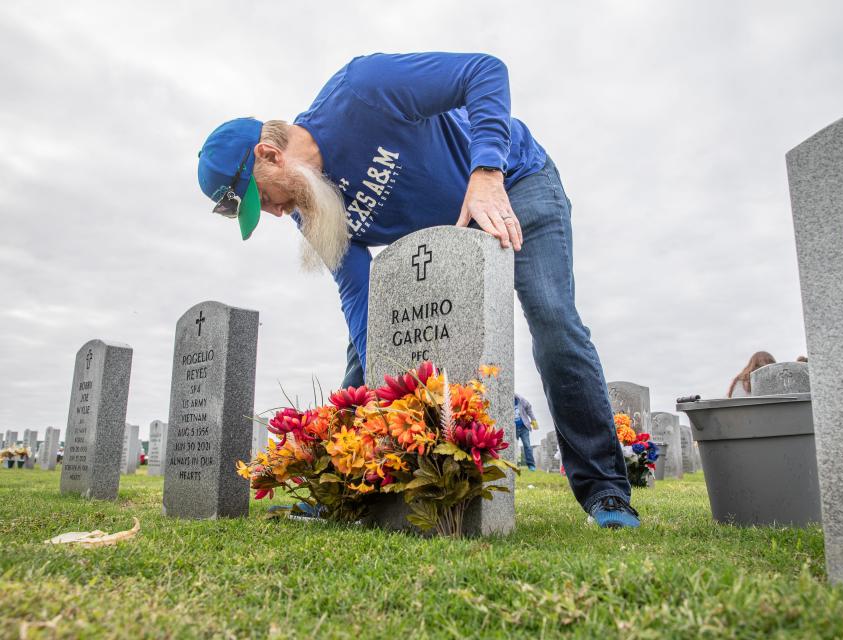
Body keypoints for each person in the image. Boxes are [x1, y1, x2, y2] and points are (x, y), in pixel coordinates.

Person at [196, 53, 638, 528]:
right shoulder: (311, 211)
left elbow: (484, 71)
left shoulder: (361, 91)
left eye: (263, 198)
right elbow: (362, 300)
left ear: (269, 154)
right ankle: (342, 489)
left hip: (514, 182)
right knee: (366, 354)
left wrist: (486, 172)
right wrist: (390, 393)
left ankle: (605, 492)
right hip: (450, 230)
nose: (277, 214)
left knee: (553, 319)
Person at [514, 394, 538, 472]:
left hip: (524, 427)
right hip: (513, 428)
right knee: (514, 446)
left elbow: (529, 408)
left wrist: (533, 420)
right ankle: (513, 463)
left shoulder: (521, 400)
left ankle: (531, 465)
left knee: (527, 446)